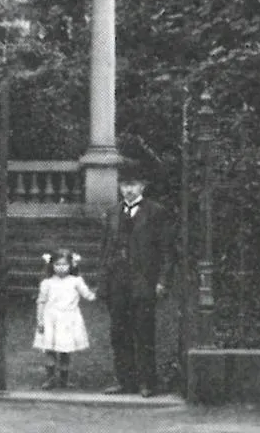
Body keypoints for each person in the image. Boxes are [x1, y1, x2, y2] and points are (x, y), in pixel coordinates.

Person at [98, 165, 177, 396]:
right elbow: (105, 250)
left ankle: (147, 383)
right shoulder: (112, 213)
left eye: (133, 185)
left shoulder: (156, 212)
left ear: (142, 186)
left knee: (143, 331)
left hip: (144, 280)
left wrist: (163, 280)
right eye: (124, 185)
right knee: (118, 332)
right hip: (117, 281)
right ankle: (125, 381)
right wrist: (104, 282)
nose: (128, 190)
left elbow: (167, 251)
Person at [33, 250, 96, 389]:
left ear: (71, 265)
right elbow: (41, 301)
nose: (61, 267)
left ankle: (64, 379)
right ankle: (50, 379)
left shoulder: (76, 281)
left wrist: (98, 294)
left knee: (65, 350)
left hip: (68, 320)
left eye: (64, 264)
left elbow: (88, 294)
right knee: (49, 349)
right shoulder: (47, 283)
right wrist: (40, 320)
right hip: (51, 319)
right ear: (52, 265)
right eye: (57, 264)